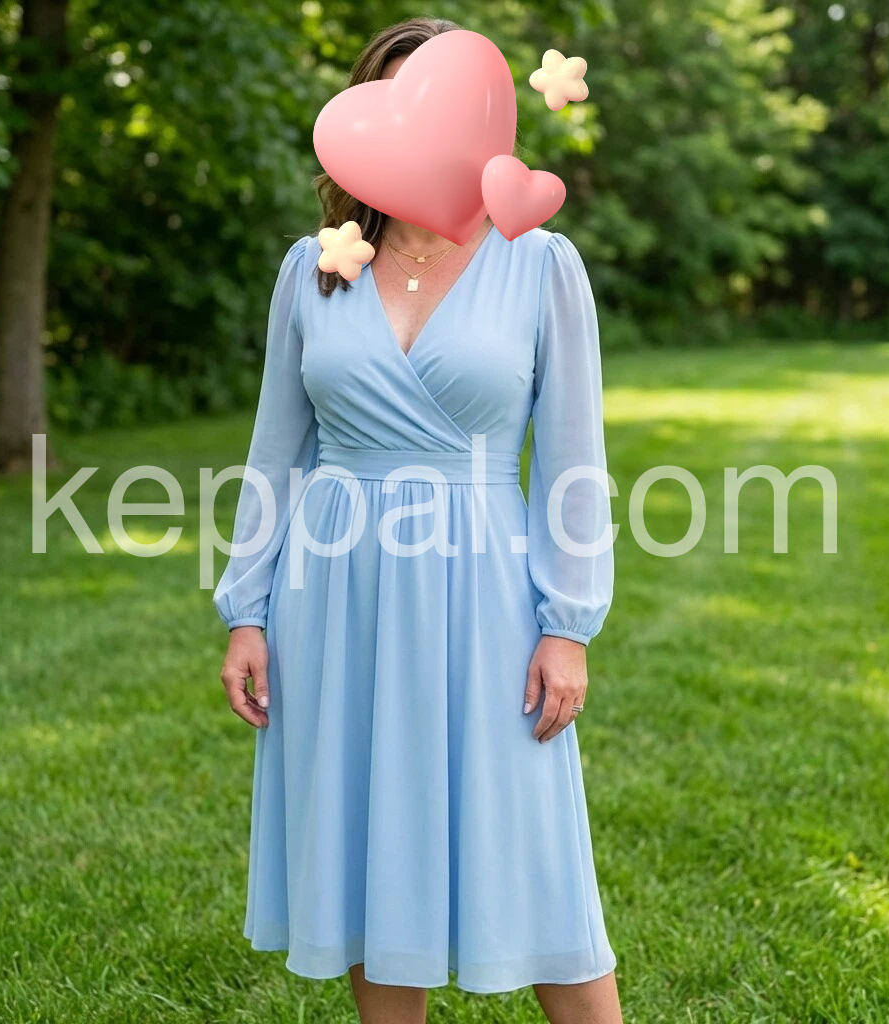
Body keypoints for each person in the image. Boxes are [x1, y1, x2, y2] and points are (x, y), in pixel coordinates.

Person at [215, 17, 623, 1024]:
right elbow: (277, 453)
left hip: (485, 590)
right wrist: (246, 609)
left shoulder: (539, 264)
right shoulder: (315, 267)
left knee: (531, 851)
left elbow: (573, 466)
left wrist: (567, 624)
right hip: (334, 593)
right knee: (369, 850)